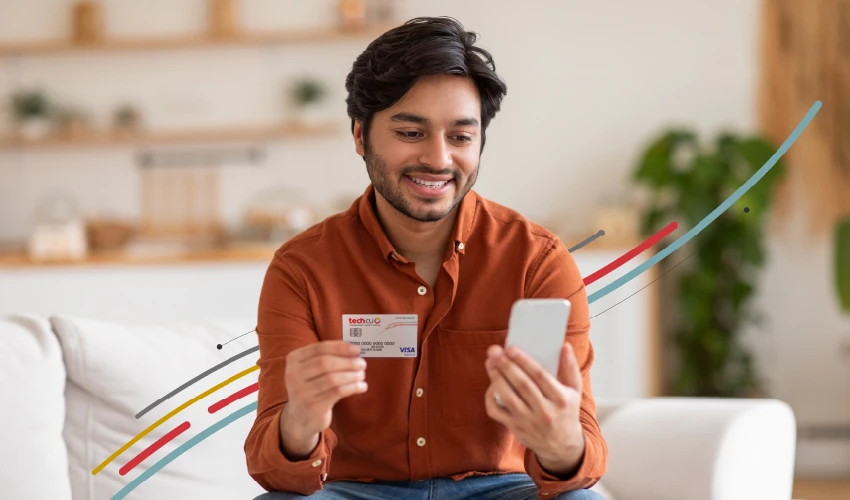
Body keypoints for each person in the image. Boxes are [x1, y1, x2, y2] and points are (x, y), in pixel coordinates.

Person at [244, 16, 607, 500]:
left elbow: (584, 456)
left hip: (501, 489)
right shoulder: (302, 269)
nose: (438, 159)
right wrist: (299, 423)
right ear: (360, 136)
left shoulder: (537, 261)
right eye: (411, 133)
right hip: (356, 492)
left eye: (460, 137)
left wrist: (562, 445)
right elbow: (273, 470)